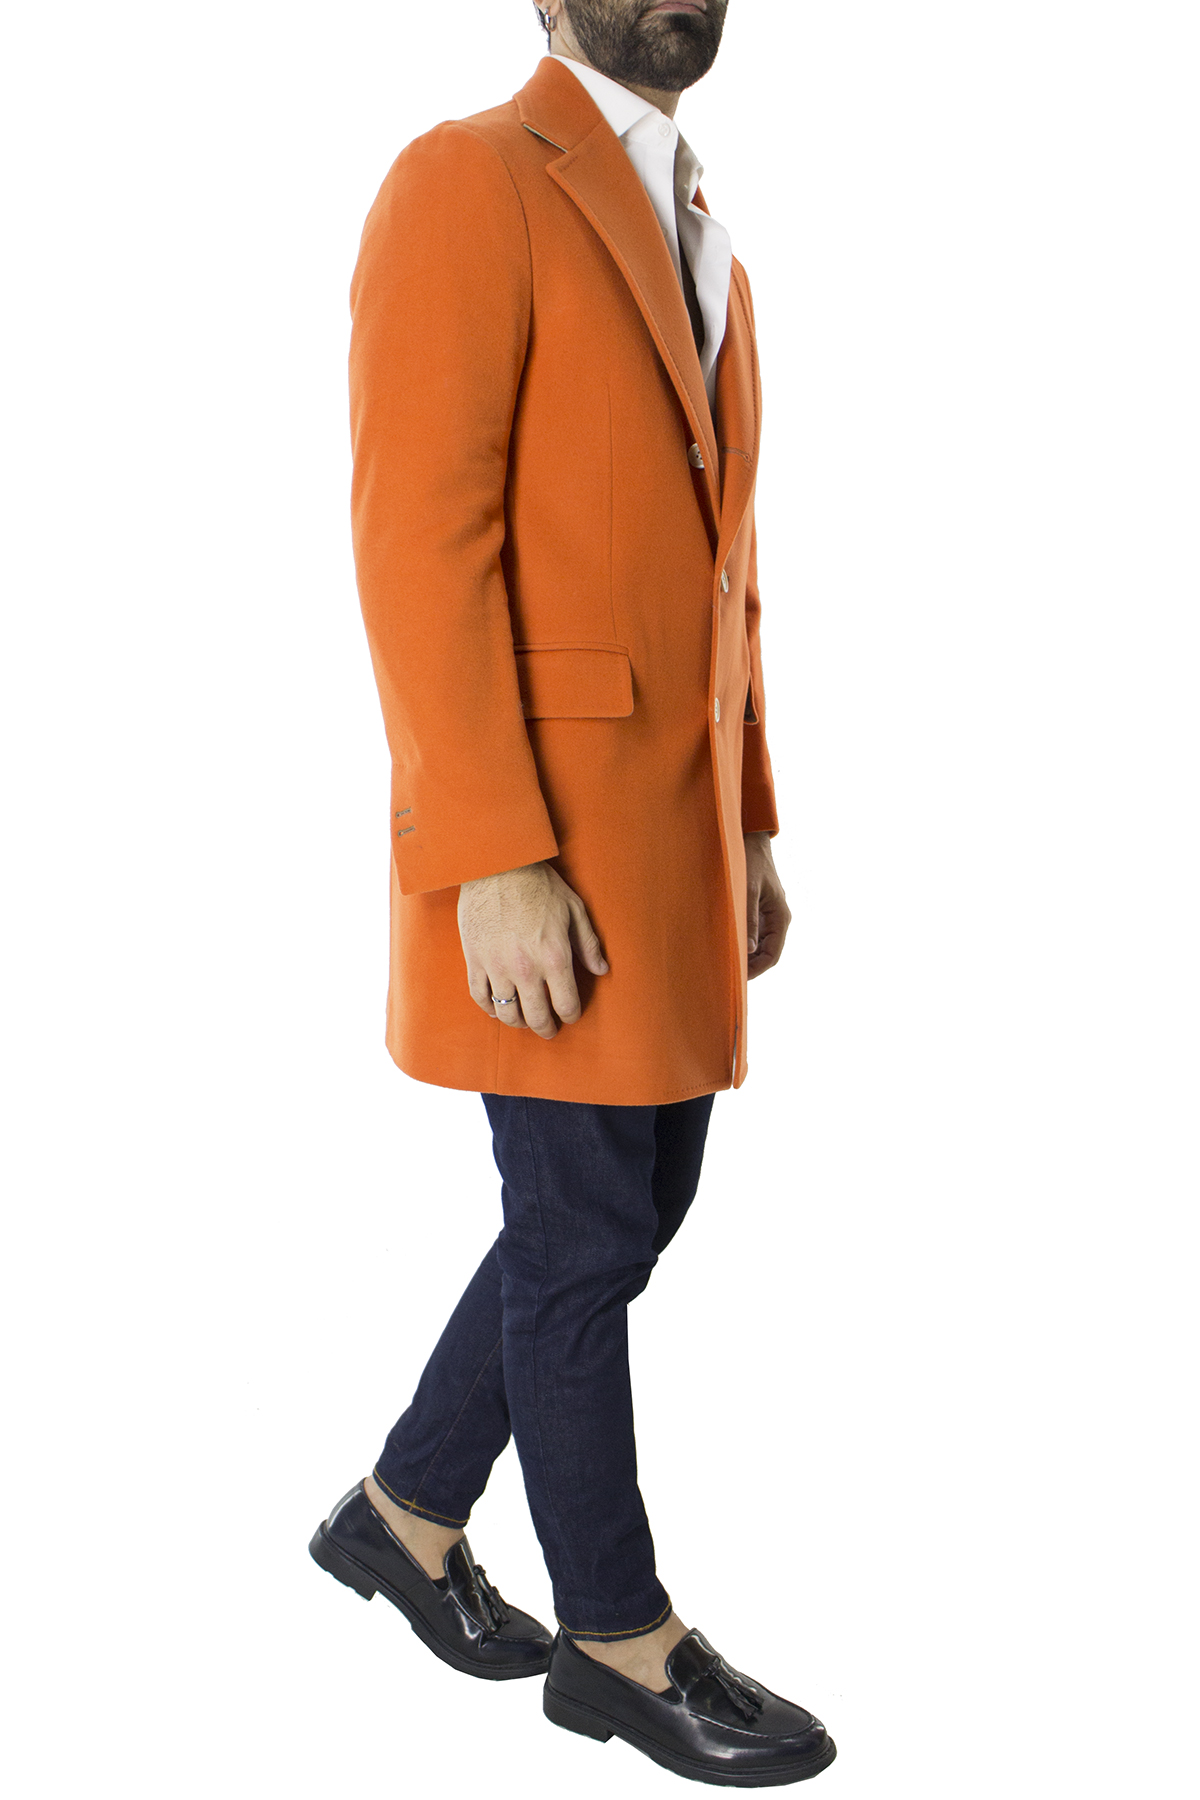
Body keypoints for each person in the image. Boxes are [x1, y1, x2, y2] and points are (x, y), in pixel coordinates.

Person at [309, 0, 835, 1783]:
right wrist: (487, 850)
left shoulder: (700, 222)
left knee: (621, 1213)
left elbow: (724, 567)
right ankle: (619, 1638)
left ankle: (404, 1516)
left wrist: (748, 816)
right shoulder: (468, 180)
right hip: (544, 838)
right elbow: (417, 535)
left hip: (666, 831)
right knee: (587, 1235)